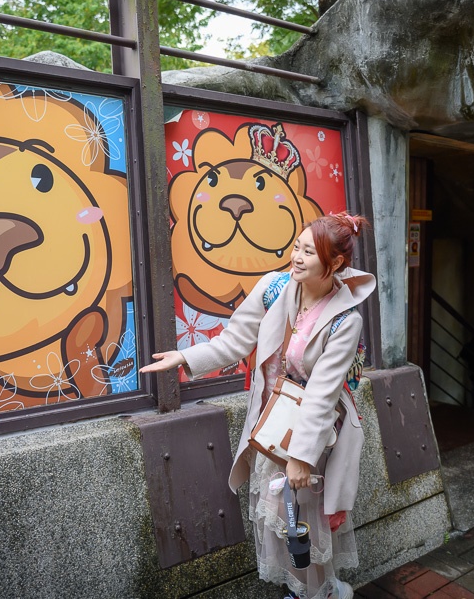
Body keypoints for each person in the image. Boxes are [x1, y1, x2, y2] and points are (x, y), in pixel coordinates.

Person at [141, 213, 376, 599]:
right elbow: (235, 341)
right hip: (270, 426)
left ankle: (320, 592)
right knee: (282, 520)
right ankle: (306, 590)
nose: (297, 257)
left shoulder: (345, 320)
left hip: (313, 437)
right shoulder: (274, 287)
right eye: (296, 247)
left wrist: (301, 456)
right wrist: (184, 358)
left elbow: (322, 393)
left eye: (308, 252)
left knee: (305, 520)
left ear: (334, 263)